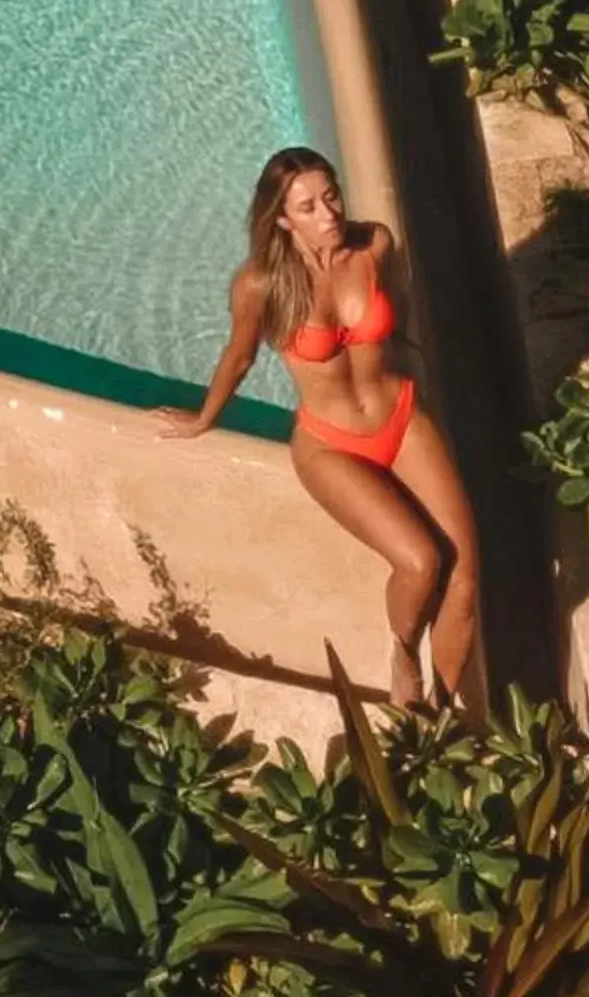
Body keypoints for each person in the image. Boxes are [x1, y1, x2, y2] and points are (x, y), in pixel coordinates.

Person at [155, 146, 481, 713]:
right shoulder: (260, 284)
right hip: (332, 444)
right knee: (422, 561)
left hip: (400, 417)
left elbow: (395, 316)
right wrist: (204, 418)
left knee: (467, 579)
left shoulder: (373, 245)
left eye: (330, 196)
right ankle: (404, 651)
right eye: (308, 207)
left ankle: (445, 720)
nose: (328, 213)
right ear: (281, 219)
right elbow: (239, 357)